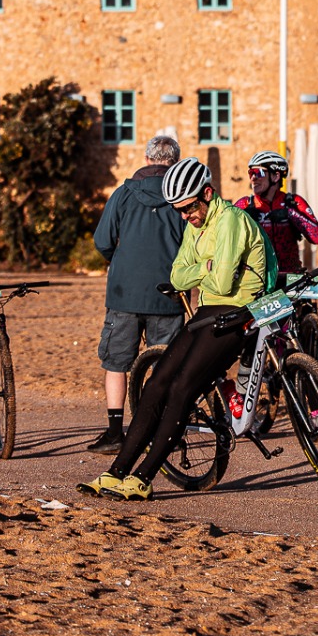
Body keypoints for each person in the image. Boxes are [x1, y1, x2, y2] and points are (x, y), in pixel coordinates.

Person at [79, 157, 271, 501]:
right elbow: (176, 275)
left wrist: (202, 269)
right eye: (178, 210)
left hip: (239, 311)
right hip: (208, 310)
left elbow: (224, 283)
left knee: (182, 388)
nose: (184, 216)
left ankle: (143, 478)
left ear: (207, 194)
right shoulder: (196, 225)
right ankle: (115, 472)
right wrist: (208, 266)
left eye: (188, 208)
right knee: (156, 384)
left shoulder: (230, 220)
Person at [87, 133, 191, 455]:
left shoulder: (123, 194)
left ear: (146, 160)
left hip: (125, 293)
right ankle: (160, 430)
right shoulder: (181, 197)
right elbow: (194, 243)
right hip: (169, 293)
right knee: (165, 365)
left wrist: (122, 261)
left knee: (117, 363)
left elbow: (102, 241)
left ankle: (115, 432)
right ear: (175, 162)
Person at [233, 150, 318, 282]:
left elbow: (317, 237)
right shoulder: (245, 204)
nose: (253, 178)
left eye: (259, 172)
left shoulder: (293, 202)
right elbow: (224, 238)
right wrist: (245, 219)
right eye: (251, 173)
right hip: (258, 279)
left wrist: (290, 214)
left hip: (290, 278)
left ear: (276, 176)